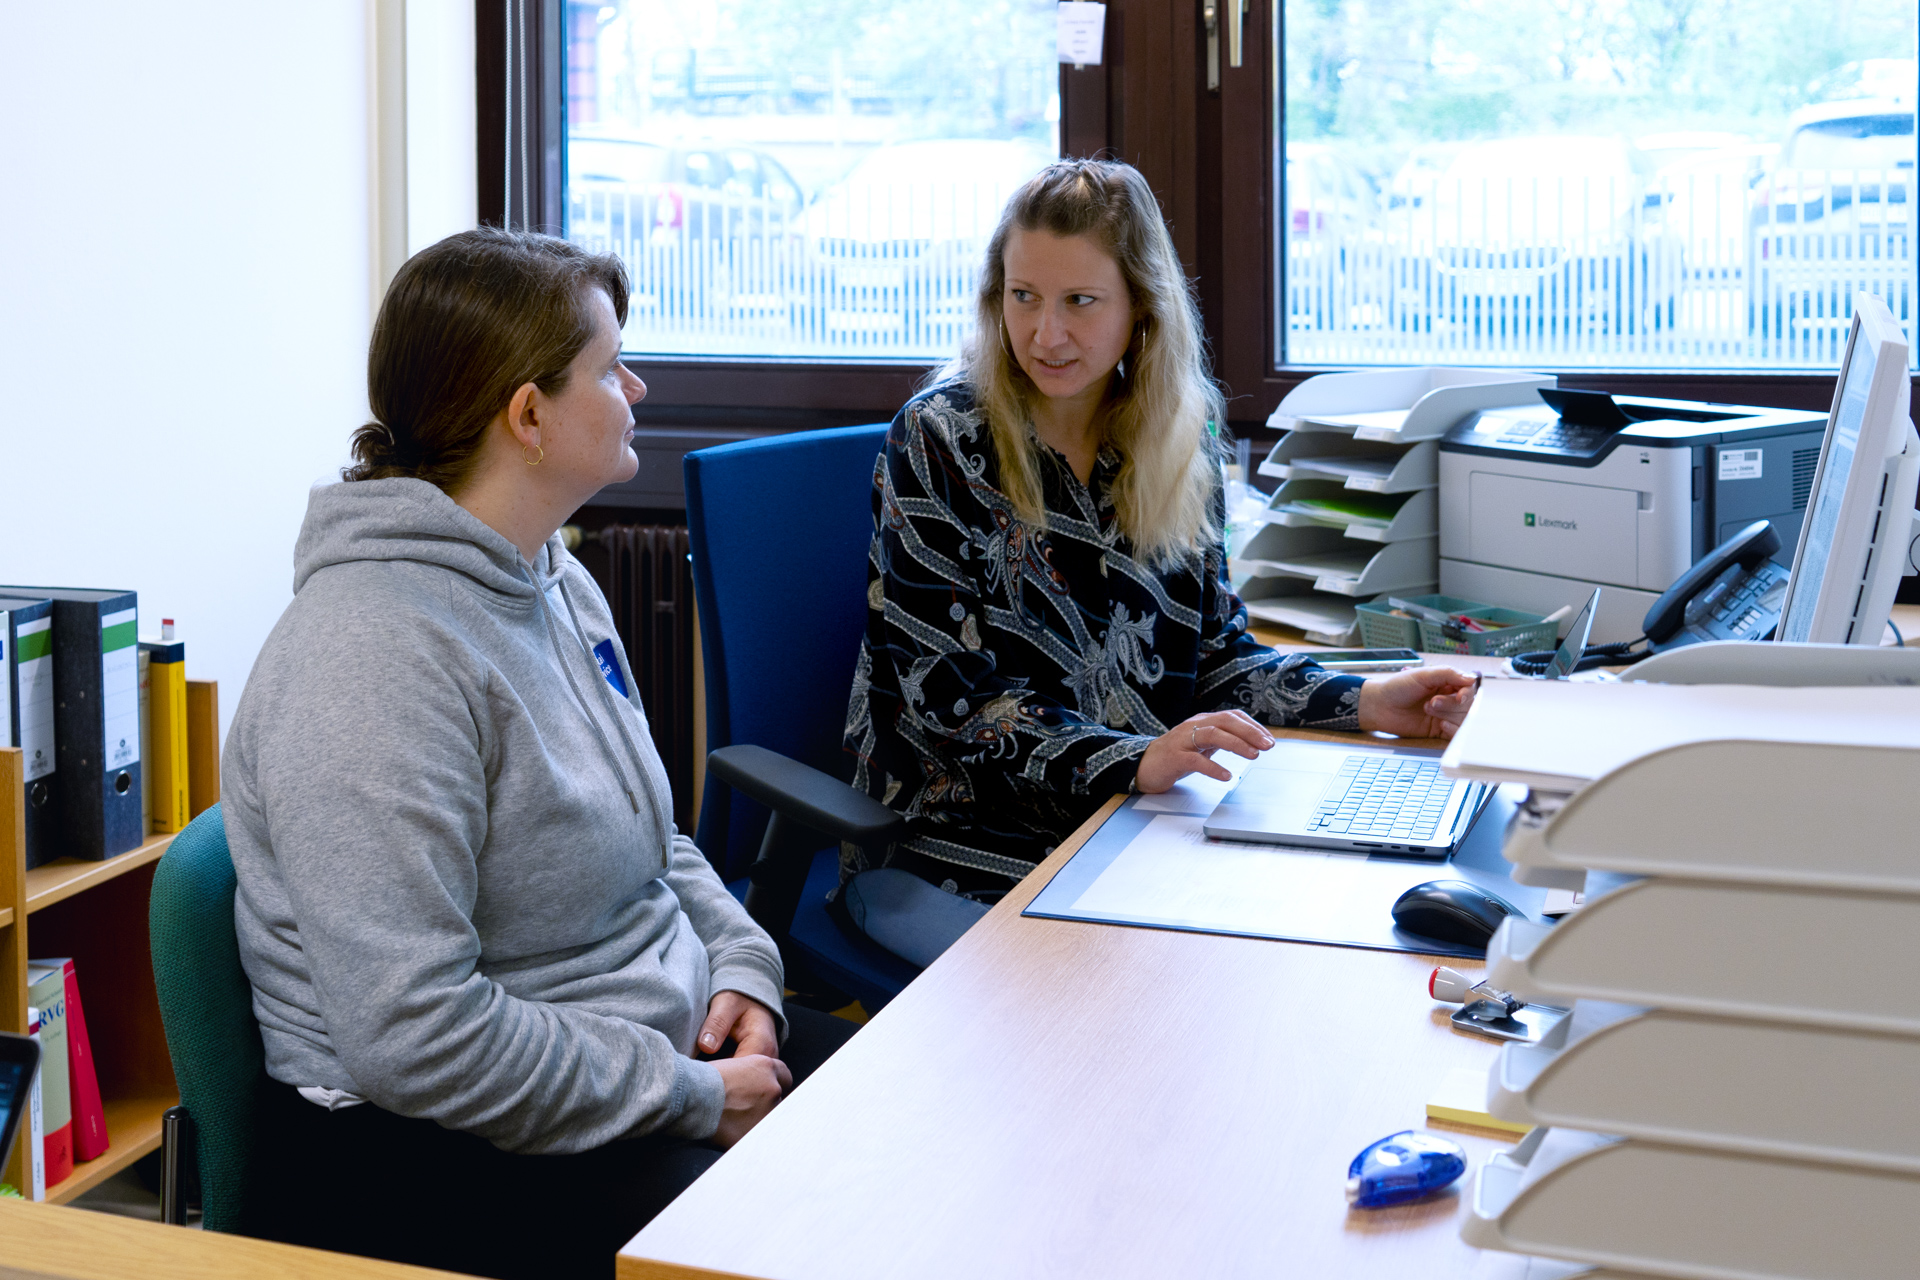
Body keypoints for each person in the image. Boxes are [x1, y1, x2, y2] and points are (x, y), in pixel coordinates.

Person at [224, 228, 857, 1280]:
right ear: (528, 414)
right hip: (426, 1150)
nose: (638, 386)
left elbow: (654, 838)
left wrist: (740, 966)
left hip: (631, 1055)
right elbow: (417, 1037)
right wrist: (693, 1096)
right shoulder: (372, 655)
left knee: (918, 1113)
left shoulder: (551, 577)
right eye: (610, 368)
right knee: (824, 1233)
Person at [844, 159, 1476, 899]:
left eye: (1081, 300)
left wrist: (1368, 701)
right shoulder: (939, 438)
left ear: (1142, 307)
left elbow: (1217, 661)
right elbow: (951, 705)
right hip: (961, 836)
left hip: (1135, 820)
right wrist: (1136, 761)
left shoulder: (1178, 441)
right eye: (1024, 296)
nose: (1046, 333)